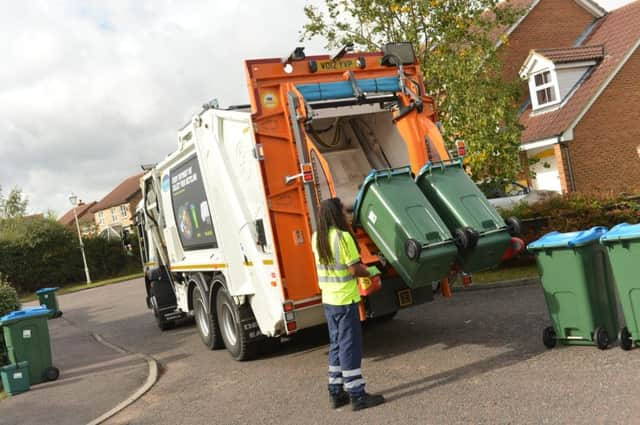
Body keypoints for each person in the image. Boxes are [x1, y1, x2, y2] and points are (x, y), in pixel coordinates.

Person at [311, 197, 385, 411]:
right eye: (343, 211)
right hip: (345, 301)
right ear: (336, 214)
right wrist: (372, 270)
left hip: (329, 300)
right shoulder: (342, 238)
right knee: (349, 347)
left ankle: (336, 393)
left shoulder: (317, 238)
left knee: (336, 344)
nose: (346, 215)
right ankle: (357, 395)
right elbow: (355, 269)